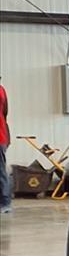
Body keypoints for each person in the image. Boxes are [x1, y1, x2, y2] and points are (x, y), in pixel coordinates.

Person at [0, 77, 10, 214]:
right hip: (2, 136)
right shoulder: (2, 90)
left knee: (1, 171)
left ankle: (5, 202)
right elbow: (5, 112)